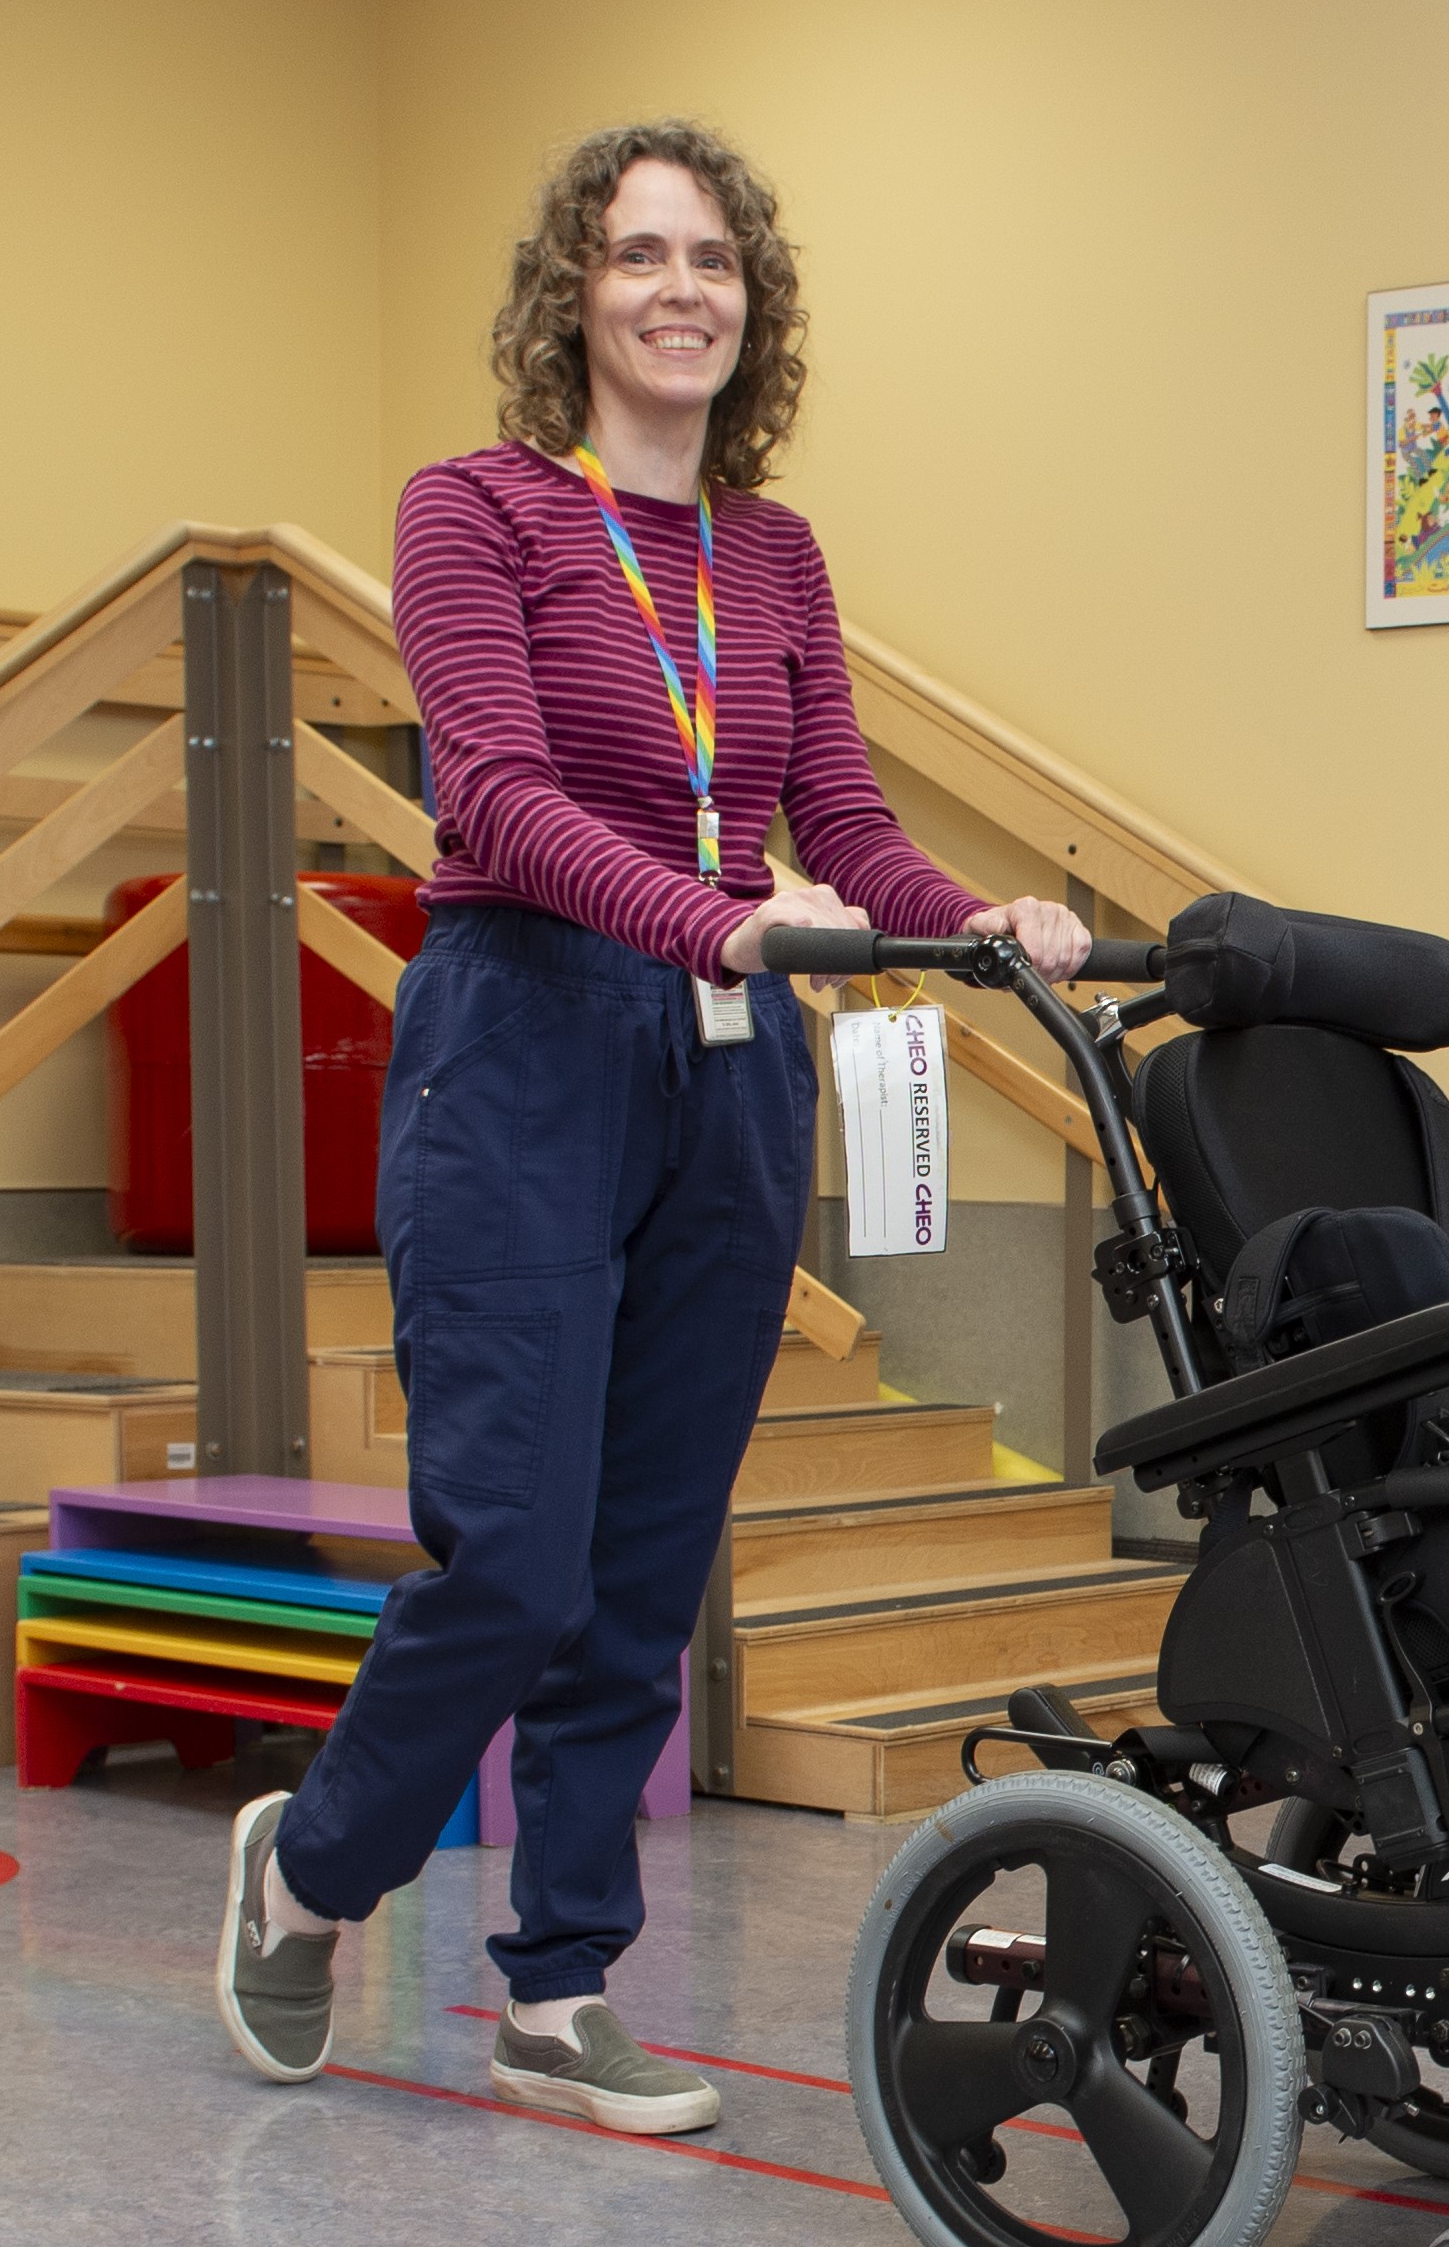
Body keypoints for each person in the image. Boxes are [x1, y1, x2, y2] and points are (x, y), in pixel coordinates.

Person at [214, 120, 1090, 2131]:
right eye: (637, 254)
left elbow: (838, 825)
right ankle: (314, 1864)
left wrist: (983, 924)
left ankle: (559, 1979)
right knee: (510, 1558)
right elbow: (499, 795)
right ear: (574, 296)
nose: (679, 287)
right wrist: (715, 918)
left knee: (642, 1559)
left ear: (750, 305)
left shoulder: (773, 554)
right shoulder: (477, 510)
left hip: (731, 1061)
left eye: (713, 258)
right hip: (521, 1035)